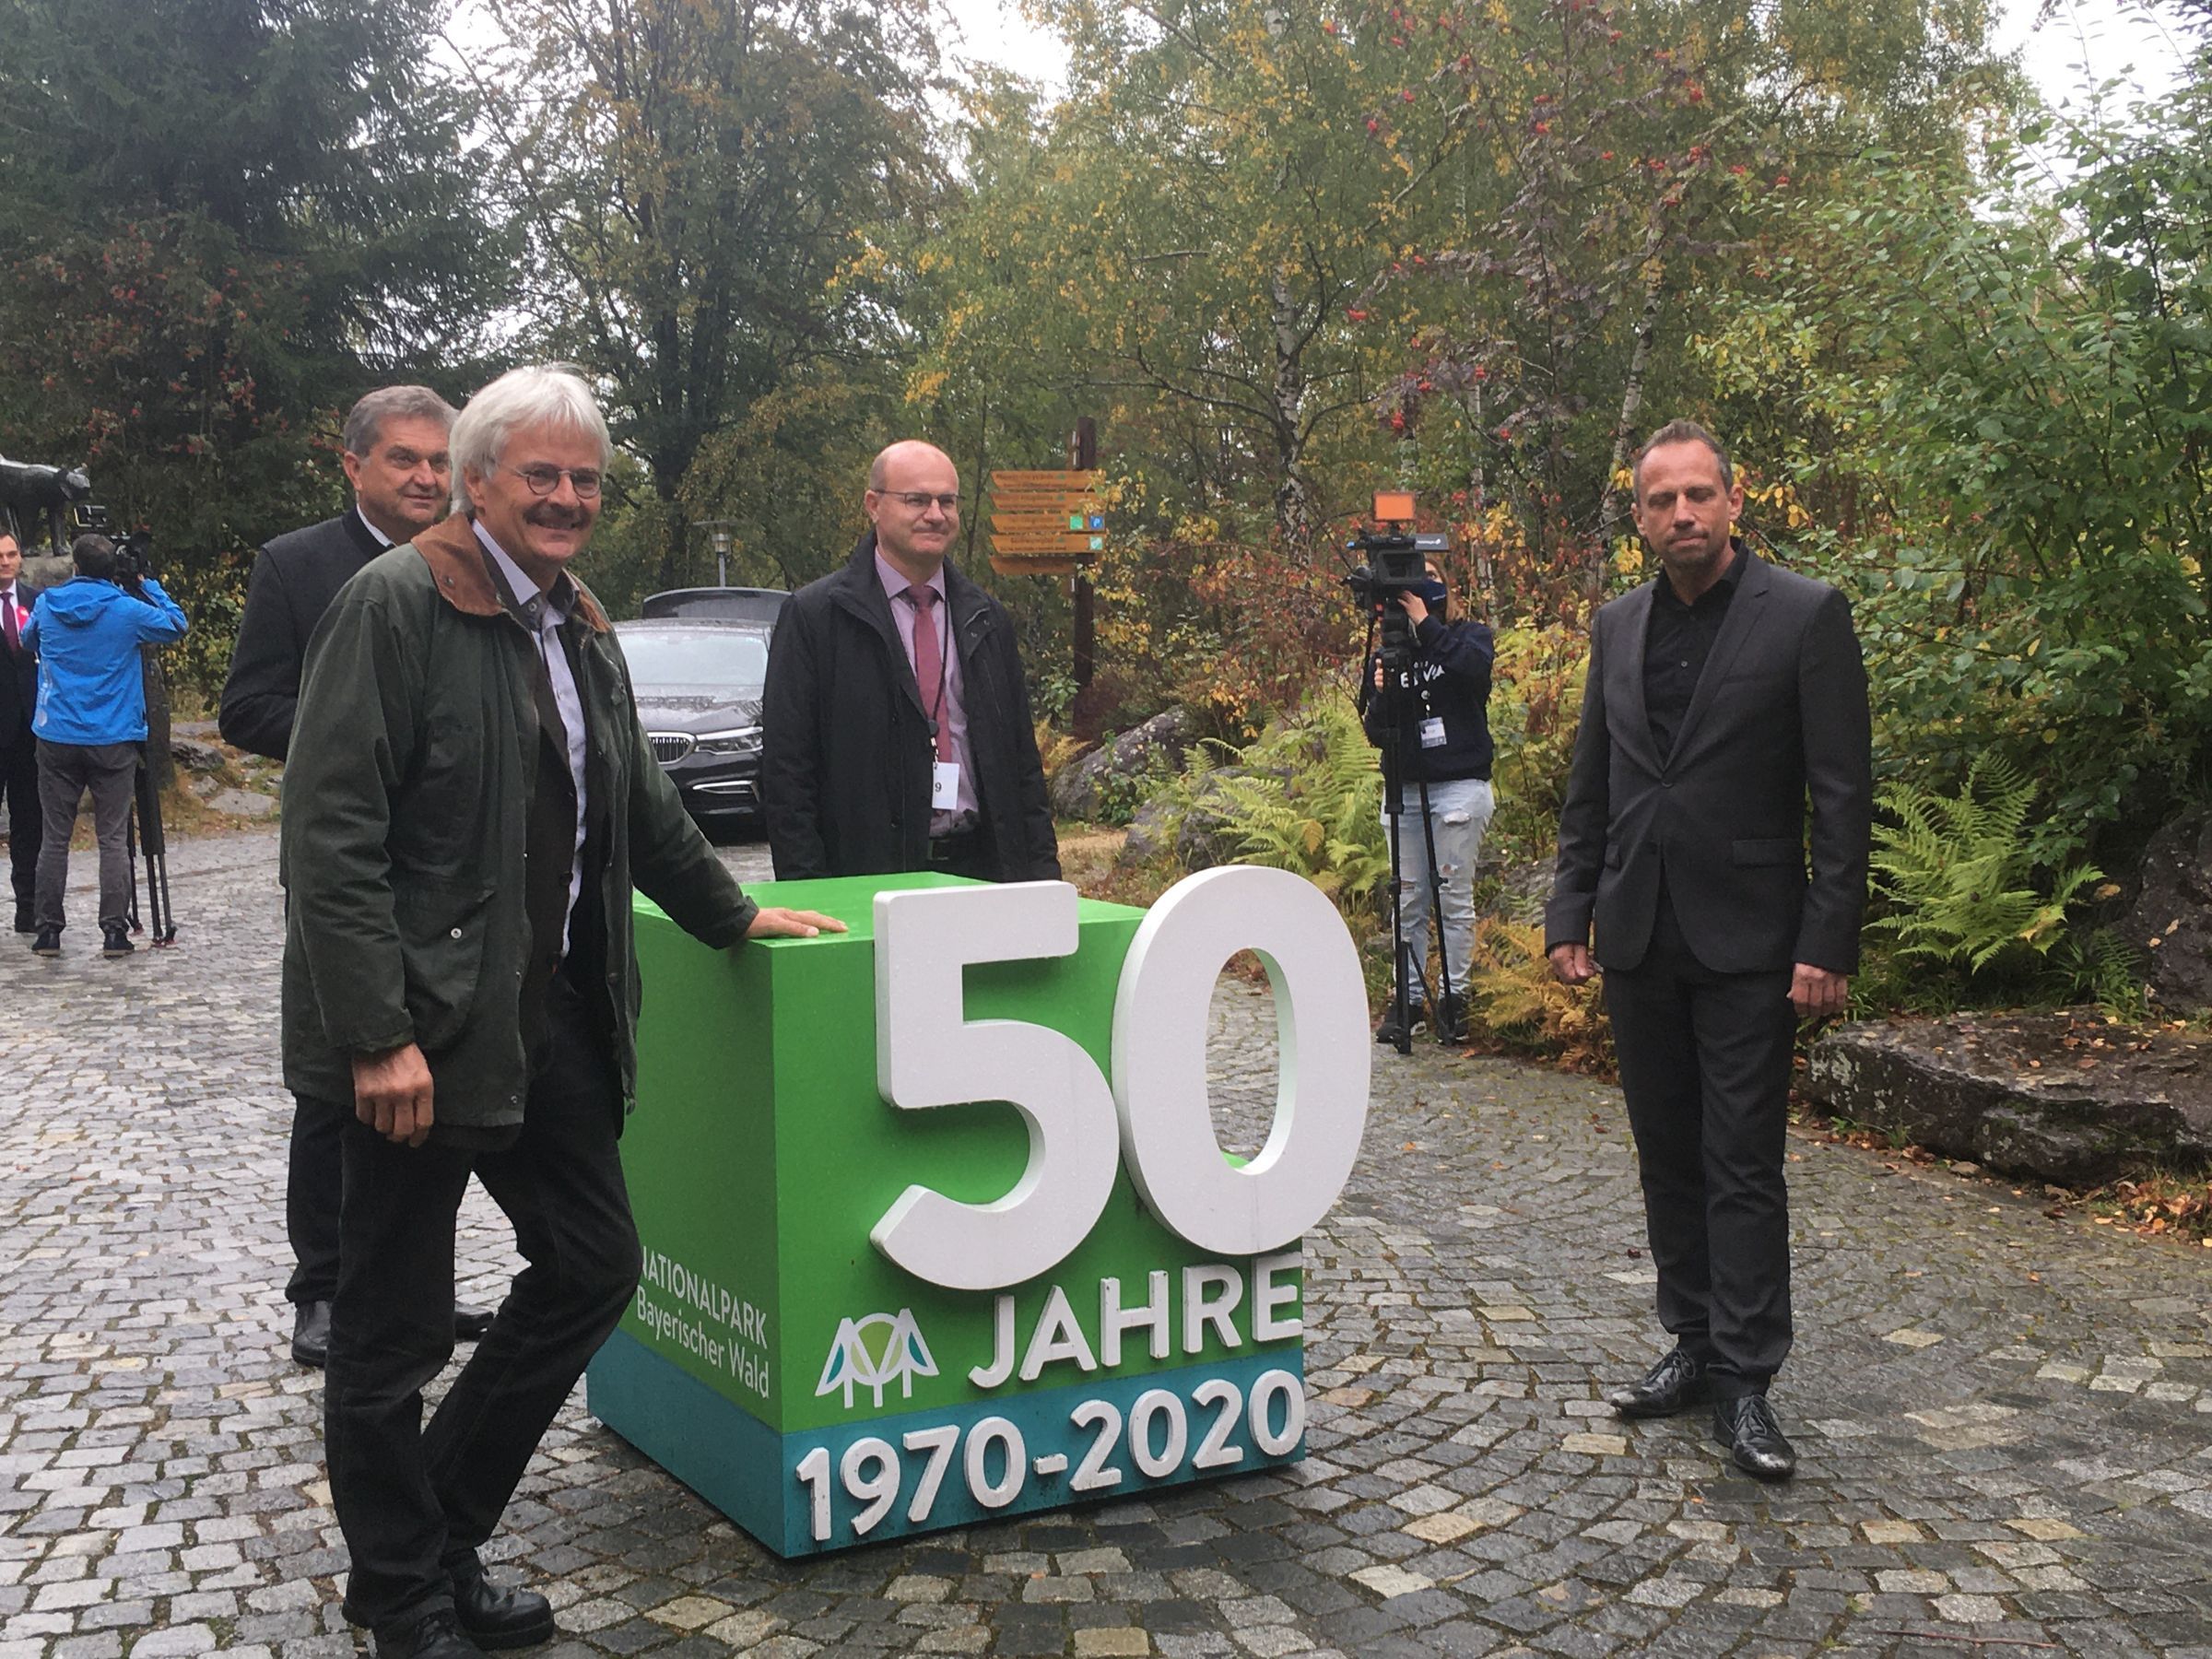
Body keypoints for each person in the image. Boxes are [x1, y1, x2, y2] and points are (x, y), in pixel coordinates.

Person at [281, 364, 841, 1659]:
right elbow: (330, 839)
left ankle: (437, 1529)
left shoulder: (579, 617)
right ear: (477, 480)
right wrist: (376, 1033)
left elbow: (637, 799)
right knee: (391, 1334)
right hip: (422, 1037)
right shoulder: (396, 607)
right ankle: (404, 1594)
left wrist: (734, 914)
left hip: (556, 1023)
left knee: (594, 1269)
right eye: (542, 474)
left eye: (586, 479)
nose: (568, 498)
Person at [1544, 418, 1871, 1481]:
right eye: (1660, 500)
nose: (1681, 513)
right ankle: (1689, 1343)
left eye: (1698, 495)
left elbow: (1842, 793)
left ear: (1734, 501)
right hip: (1640, 934)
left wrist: (1828, 937)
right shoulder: (1617, 625)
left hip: (1755, 943)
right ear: (1639, 517)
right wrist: (1568, 912)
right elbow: (1591, 784)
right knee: (1666, 1153)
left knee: (1742, 1162)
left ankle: (1745, 1381)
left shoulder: (1807, 616)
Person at [218, 387, 493, 1371]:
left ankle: (417, 1287)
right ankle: (323, 1290)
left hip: (459, 876)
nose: (425, 477)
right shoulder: (298, 567)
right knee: (341, 1089)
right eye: (404, 460)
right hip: (351, 866)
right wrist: (365, 730)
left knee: (445, 1083)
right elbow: (246, 706)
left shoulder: (476, 559)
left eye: (438, 460)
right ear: (354, 465)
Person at [762, 440, 1059, 884]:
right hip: (865, 879)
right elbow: (786, 775)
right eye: (917, 500)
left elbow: (1022, 768)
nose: (936, 514)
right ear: (873, 505)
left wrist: (1044, 881)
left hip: (985, 873)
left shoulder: (986, 619)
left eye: (947, 501)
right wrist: (810, 889)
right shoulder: (815, 618)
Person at [22, 535, 187, 958]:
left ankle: (48, 931)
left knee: (54, 837)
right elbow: (175, 625)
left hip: (57, 733)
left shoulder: (47, 604)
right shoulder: (126, 610)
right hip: (113, 736)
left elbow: (27, 640)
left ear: (74, 564)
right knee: (112, 837)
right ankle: (114, 932)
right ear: (112, 568)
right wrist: (145, 582)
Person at [1361, 555, 1495, 1046]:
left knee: (1452, 898)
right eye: (1415, 581)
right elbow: (1377, 731)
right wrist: (1381, 694)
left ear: (1447, 589)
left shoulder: (1469, 637)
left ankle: (1455, 999)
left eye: (1432, 578)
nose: (1421, 587)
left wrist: (1426, 624)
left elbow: (1473, 674)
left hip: (1459, 785)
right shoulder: (1388, 652)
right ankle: (1408, 1000)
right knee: (1408, 898)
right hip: (1405, 789)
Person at [0, 532, 40, 934]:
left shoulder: (37, 600)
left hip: (29, 729)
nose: (5, 562)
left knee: (30, 822)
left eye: (11, 554)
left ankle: (27, 906)